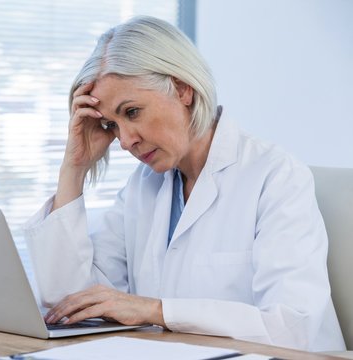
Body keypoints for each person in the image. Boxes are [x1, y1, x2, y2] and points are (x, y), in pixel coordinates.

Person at [23, 15, 345, 351]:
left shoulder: (275, 176)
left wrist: (155, 310)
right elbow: (71, 307)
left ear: (182, 89)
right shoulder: (142, 187)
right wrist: (74, 170)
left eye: (131, 112)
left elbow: (292, 327)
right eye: (111, 125)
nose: (125, 140)